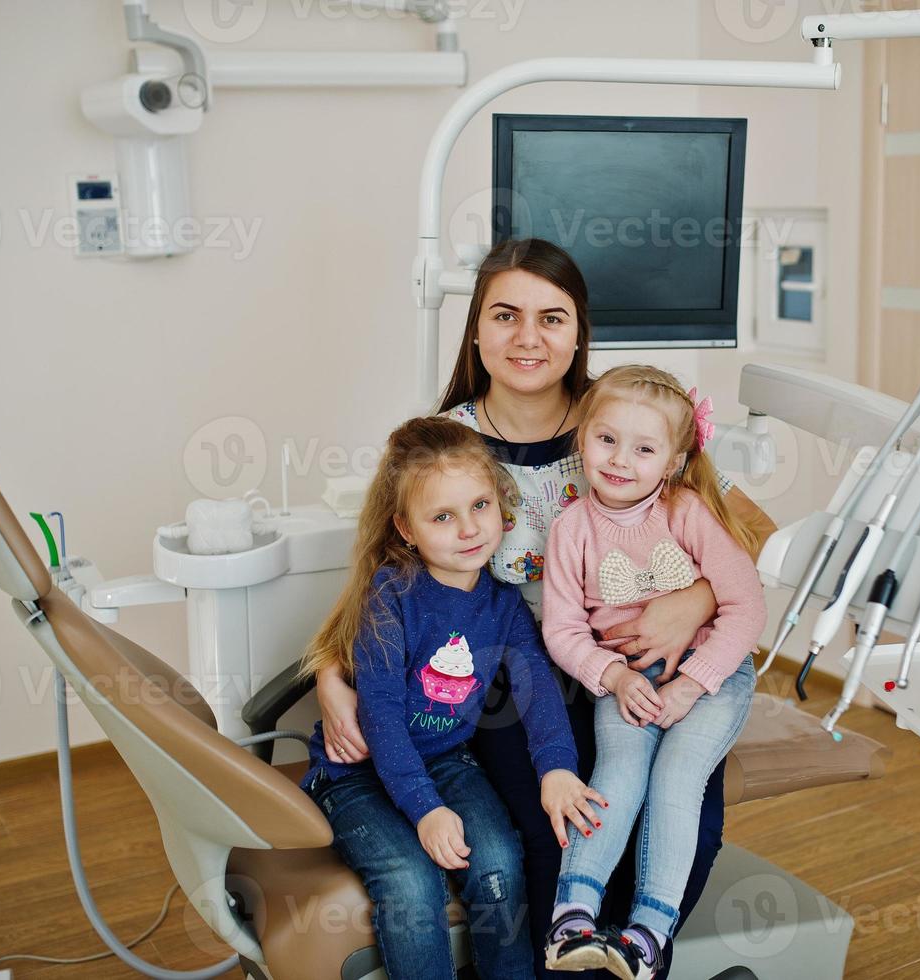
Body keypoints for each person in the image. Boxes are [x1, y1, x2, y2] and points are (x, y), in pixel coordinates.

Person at [313, 238, 777, 979]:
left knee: (683, 821)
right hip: (508, 675)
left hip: (643, 665)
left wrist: (691, 602)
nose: (528, 338)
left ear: (578, 333)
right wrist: (329, 676)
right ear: (474, 330)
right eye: (505, 316)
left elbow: (742, 531)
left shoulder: (620, 424)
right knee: (556, 831)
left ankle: (636, 954)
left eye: (551, 318)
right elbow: (383, 575)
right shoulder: (446, 445)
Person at [298, 417, 605, 980]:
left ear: (501, 505)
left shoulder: (504, 605)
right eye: (443, 516)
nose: (469, 529)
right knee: (411, 884)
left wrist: (556, 771)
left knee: (499, 861)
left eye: (480, 505)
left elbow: (538, 694)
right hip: (357, 773)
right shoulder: (389, 597)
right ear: (406, 528)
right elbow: (383, 721)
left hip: (445, 760)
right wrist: (427, 811)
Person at [539, 366, 766, 980]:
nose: (620, 460)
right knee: (618, 772)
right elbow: (561, 629)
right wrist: (612, 677)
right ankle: (573, 918)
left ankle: (648, 934)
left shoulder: (687, 512)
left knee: (676, 778)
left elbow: (746, 606)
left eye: (643, 448)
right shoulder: (570, 529)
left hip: (711, 676)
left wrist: (695, 681)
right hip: (628, 679)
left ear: (671, 460)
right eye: (606, 439)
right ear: (582, 439)